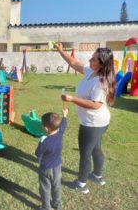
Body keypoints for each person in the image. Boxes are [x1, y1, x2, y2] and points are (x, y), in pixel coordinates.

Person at [54, 43, 116, 194]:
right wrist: (61, 51)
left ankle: (81, 184)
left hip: (92, 124)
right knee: (96, 148)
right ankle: (97, 176)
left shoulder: (101, 81)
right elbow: (74, 63)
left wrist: (72, 99)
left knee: (85, 153)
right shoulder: (91, 72)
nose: (90, 60)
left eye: (94, 59)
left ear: (102, 64)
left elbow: (95, 105)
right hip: (99, 122)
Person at [35, 108, 68, 210]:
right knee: (56, 186)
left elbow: (37, 153)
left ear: (46, 128)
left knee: (45, 189)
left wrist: (41, 141)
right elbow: (63, 125)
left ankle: (46, 207)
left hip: (46, 169)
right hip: (57, 167)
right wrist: (65, 115)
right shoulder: (60, 132)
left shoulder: (45, 140)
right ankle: (56, 204)